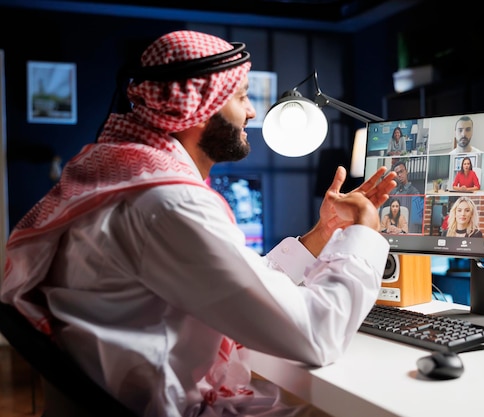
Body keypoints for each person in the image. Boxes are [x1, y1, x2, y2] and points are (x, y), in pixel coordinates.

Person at [0, 31, 399, 417]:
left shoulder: (129, 179)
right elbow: (316, 336)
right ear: (197, 108)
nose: (251, 111)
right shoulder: (168, 205)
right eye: (242, 97)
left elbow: (237, 283)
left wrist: (323, 234)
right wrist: (364, 234)